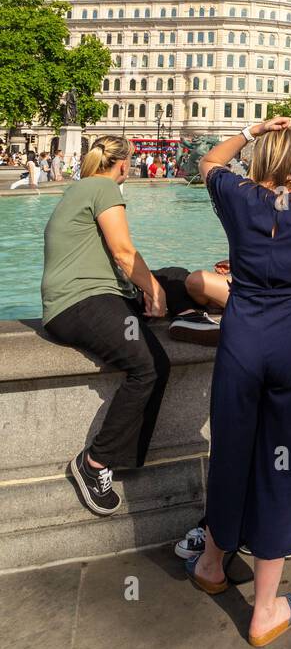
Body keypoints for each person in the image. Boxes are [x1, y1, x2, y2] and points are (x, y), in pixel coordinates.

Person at [188, 117, 291, 647]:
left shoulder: (238, 194)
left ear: (261, 157)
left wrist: (250, 129)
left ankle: (213, 565)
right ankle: (264, 610)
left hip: (243, 338)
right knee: (287, 465)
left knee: (232, 450)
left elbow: (209, 163)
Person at [40, 135, 222, 517]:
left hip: (96, 297)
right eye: (132, 161)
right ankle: (94, 463)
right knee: (150, 365)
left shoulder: (81, 189)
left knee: (175, 275)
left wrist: (156, 286)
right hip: (82, 303)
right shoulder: (104, 187)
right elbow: (124, 252)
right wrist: (152, 290)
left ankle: (188, 318)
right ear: (122, 164)